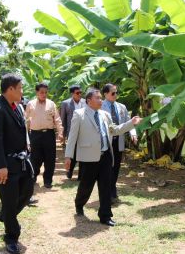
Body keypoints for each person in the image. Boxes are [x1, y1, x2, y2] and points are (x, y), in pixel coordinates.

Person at [64, 89, 142, 226]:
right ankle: (79, 203)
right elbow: (72, 137)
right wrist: (68, 156)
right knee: (86, 186)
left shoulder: (105, 115)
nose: (101, 101)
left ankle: (105, 216)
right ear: (89, 101)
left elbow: (115, 130)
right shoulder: (79, 114)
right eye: (98, 98)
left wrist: (131, 123)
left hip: (105, 155)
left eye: (101, 98)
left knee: (105, 186)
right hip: (89, 158)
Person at [0, 73, 34, 254]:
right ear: (11, 89)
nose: (22, 91)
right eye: (20, 88)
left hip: (20, 160)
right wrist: (1, 166)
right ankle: (11, 237)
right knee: (9, 200)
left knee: (27, 191)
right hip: (5, 164)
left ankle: (6, 215)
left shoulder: (17, 107)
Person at [101, 83, 138, 204]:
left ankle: (112, 188)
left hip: (119, 140)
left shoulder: (121, 107)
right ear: (105, 94)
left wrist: (133, 133)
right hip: (107, 141)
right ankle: (108, 191)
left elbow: (129, 121)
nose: (115, 95)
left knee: (116, 167)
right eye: (113, 93)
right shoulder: (100, 107)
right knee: (107, 167)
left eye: (116, 92)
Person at [25, 83, 63, 188]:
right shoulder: (30, 104)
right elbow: (26, 121)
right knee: (35, 158)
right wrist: (25, 136)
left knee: (50, 159)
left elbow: (57, 119)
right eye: (42, 92)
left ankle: (48, 180)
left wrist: (60, 132)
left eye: (46, 92)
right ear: (37, 92)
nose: (44, 94)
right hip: (35, 135)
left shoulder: (51, 104)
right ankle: (33, 178)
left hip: (49, 135)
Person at [60, 84, 86, 180]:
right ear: (72, 93)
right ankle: (70, 170)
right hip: (72, 132)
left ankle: (81, 176)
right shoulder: (65, 103)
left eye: (80, 92)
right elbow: (63, 119)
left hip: (84, 132)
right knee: (73, 154)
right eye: (77, 93)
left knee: (83, 154)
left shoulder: (85, 102)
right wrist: (62, 134)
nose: (79, 94)